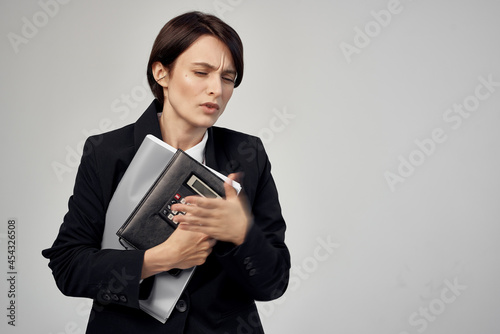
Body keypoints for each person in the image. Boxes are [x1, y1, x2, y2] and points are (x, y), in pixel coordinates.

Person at [42, 11, 290, 334]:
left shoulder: (249, 155)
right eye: (201, 72)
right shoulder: (106, 153)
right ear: (162, 73)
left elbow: (273, 284)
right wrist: (160, 258)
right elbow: (68, 266)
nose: (216, 88)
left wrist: (240, 234)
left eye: (228, 78)